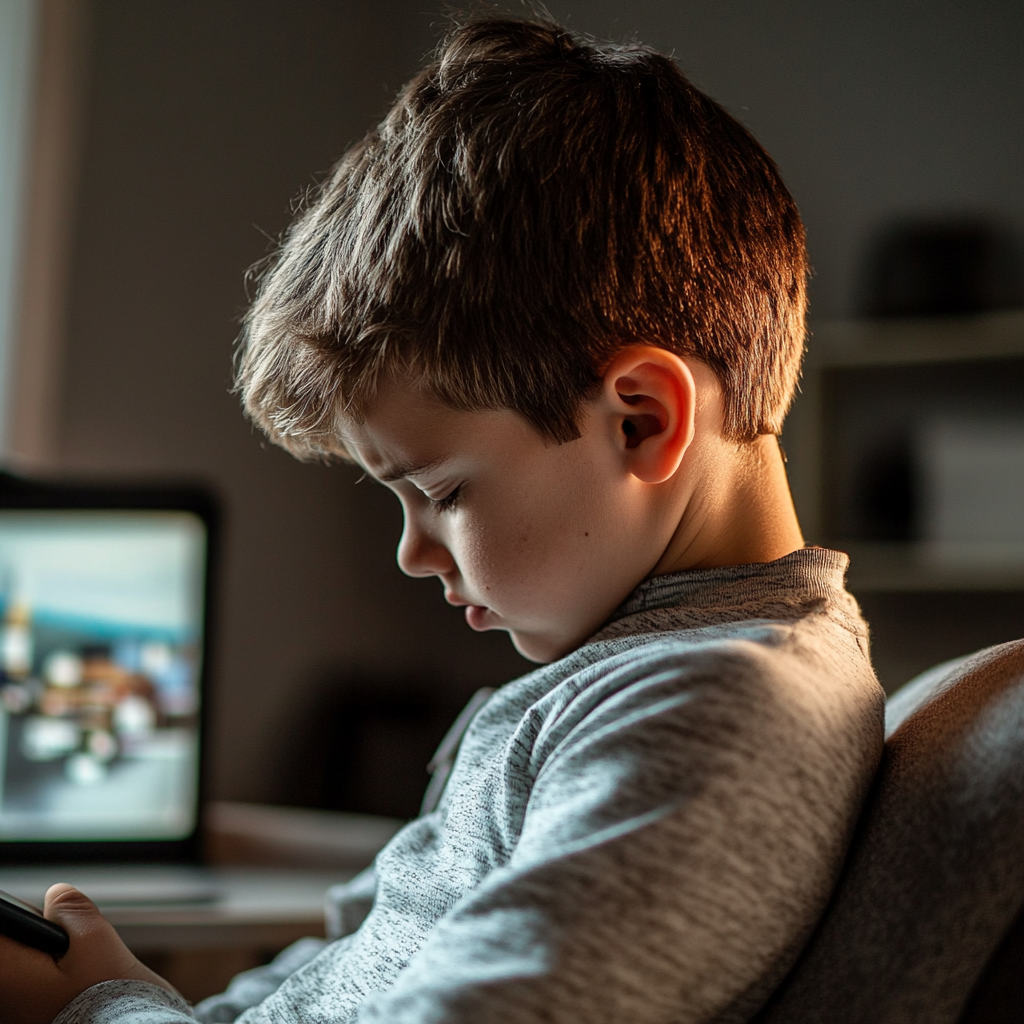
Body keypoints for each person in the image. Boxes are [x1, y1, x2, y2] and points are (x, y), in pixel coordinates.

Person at [0, 15, 884, 1024]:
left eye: (443, 492)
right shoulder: (631, 679)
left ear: (642, 420)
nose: (412, 552)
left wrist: (98, 1010)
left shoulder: (711, 711)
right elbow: (334, 973)